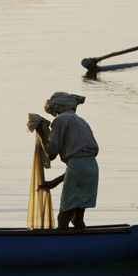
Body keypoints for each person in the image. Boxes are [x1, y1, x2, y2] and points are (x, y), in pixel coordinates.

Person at [38, 92, 100, 231]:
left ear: (57, 108)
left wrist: (42, 133)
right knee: (77, 219)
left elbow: (51, 154)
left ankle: (61, 246)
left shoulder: (61, 120)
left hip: (78, 167)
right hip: (92, 168)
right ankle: (84, 246)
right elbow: (80, 165)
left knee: (64, 216)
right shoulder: (82, 121)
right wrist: (54, 182)